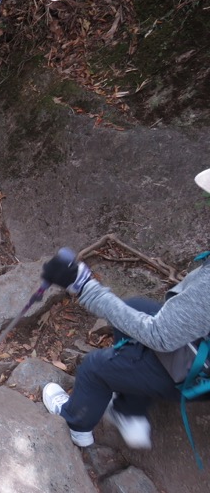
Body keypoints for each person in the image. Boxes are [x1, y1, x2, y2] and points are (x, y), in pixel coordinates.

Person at [41, 167, 210, 450]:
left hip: (200, 374)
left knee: (94, 369)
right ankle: (128, 410)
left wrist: (83, 285)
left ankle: (76, 422)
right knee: (134, 307)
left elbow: (161, 337)